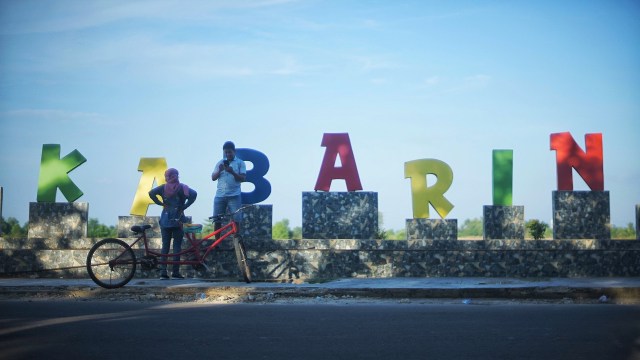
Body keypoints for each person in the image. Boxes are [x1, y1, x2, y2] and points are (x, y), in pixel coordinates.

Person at [149, 168, 197, 280]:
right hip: (178, 219)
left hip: (165, 219)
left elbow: (151, 193)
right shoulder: (183, 187)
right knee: (177, 246)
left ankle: (163, 273)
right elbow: (194, 195)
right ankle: (175, 273)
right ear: (177, 176)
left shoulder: (163, 188)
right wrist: (184, 206)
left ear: (167, 177)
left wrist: (160, 203)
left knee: (165, 246)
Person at [211, 141, 246, 235]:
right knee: (217, 220)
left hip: (234, 195)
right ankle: (216, 245)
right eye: (226, 152)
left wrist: (232, 172)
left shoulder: (240, 163)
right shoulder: (220, 163)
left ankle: (237, 244)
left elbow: (243, 178)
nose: (228, 154)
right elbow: (213, 178)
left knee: (236, 220)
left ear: (234, 151)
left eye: (229, 152)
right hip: (220, 195)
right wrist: (219, 170)